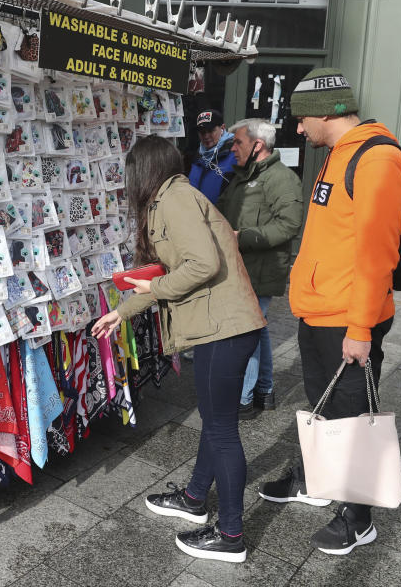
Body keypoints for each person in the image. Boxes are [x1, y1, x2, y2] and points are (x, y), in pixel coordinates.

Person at [256, 68, 401, 555]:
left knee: (352, 414)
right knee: (322, 406)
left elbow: (376, 254)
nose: (298, 130)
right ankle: (313, 479)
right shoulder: (334, 156)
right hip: (319, 312)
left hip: (349, 319)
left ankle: (359, 518)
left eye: (302, 120)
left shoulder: (377, 161)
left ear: (325, 112)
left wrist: (361, 327)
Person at [92, 136, 266, 563]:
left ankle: (230, 536)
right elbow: (171, 270)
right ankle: (193, 498)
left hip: (221, 327)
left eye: (130, 170)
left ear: (144, 171)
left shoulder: (174, 198)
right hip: (222, 325)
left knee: (221, 429)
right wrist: (126, 309)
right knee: (215, 420)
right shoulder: (170, 198)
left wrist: (155, 286)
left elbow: (202, 264)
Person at [217, 119, 303, 420]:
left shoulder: (281, 179)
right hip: (241, 269)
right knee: (258, 328)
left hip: (260, 271)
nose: (232, 147)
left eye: (238, 142)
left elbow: (290, 224)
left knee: (247, 331)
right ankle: (264, 389)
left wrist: (244, 238)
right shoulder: (240, 176)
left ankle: (244, 398)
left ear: (258, 145)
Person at [188, 109, 236, 204]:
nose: (206, 136)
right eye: (202, 132)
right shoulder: (199, 154)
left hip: (221, 216)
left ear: (222, 128)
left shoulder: (235, 153)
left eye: (210, 130)